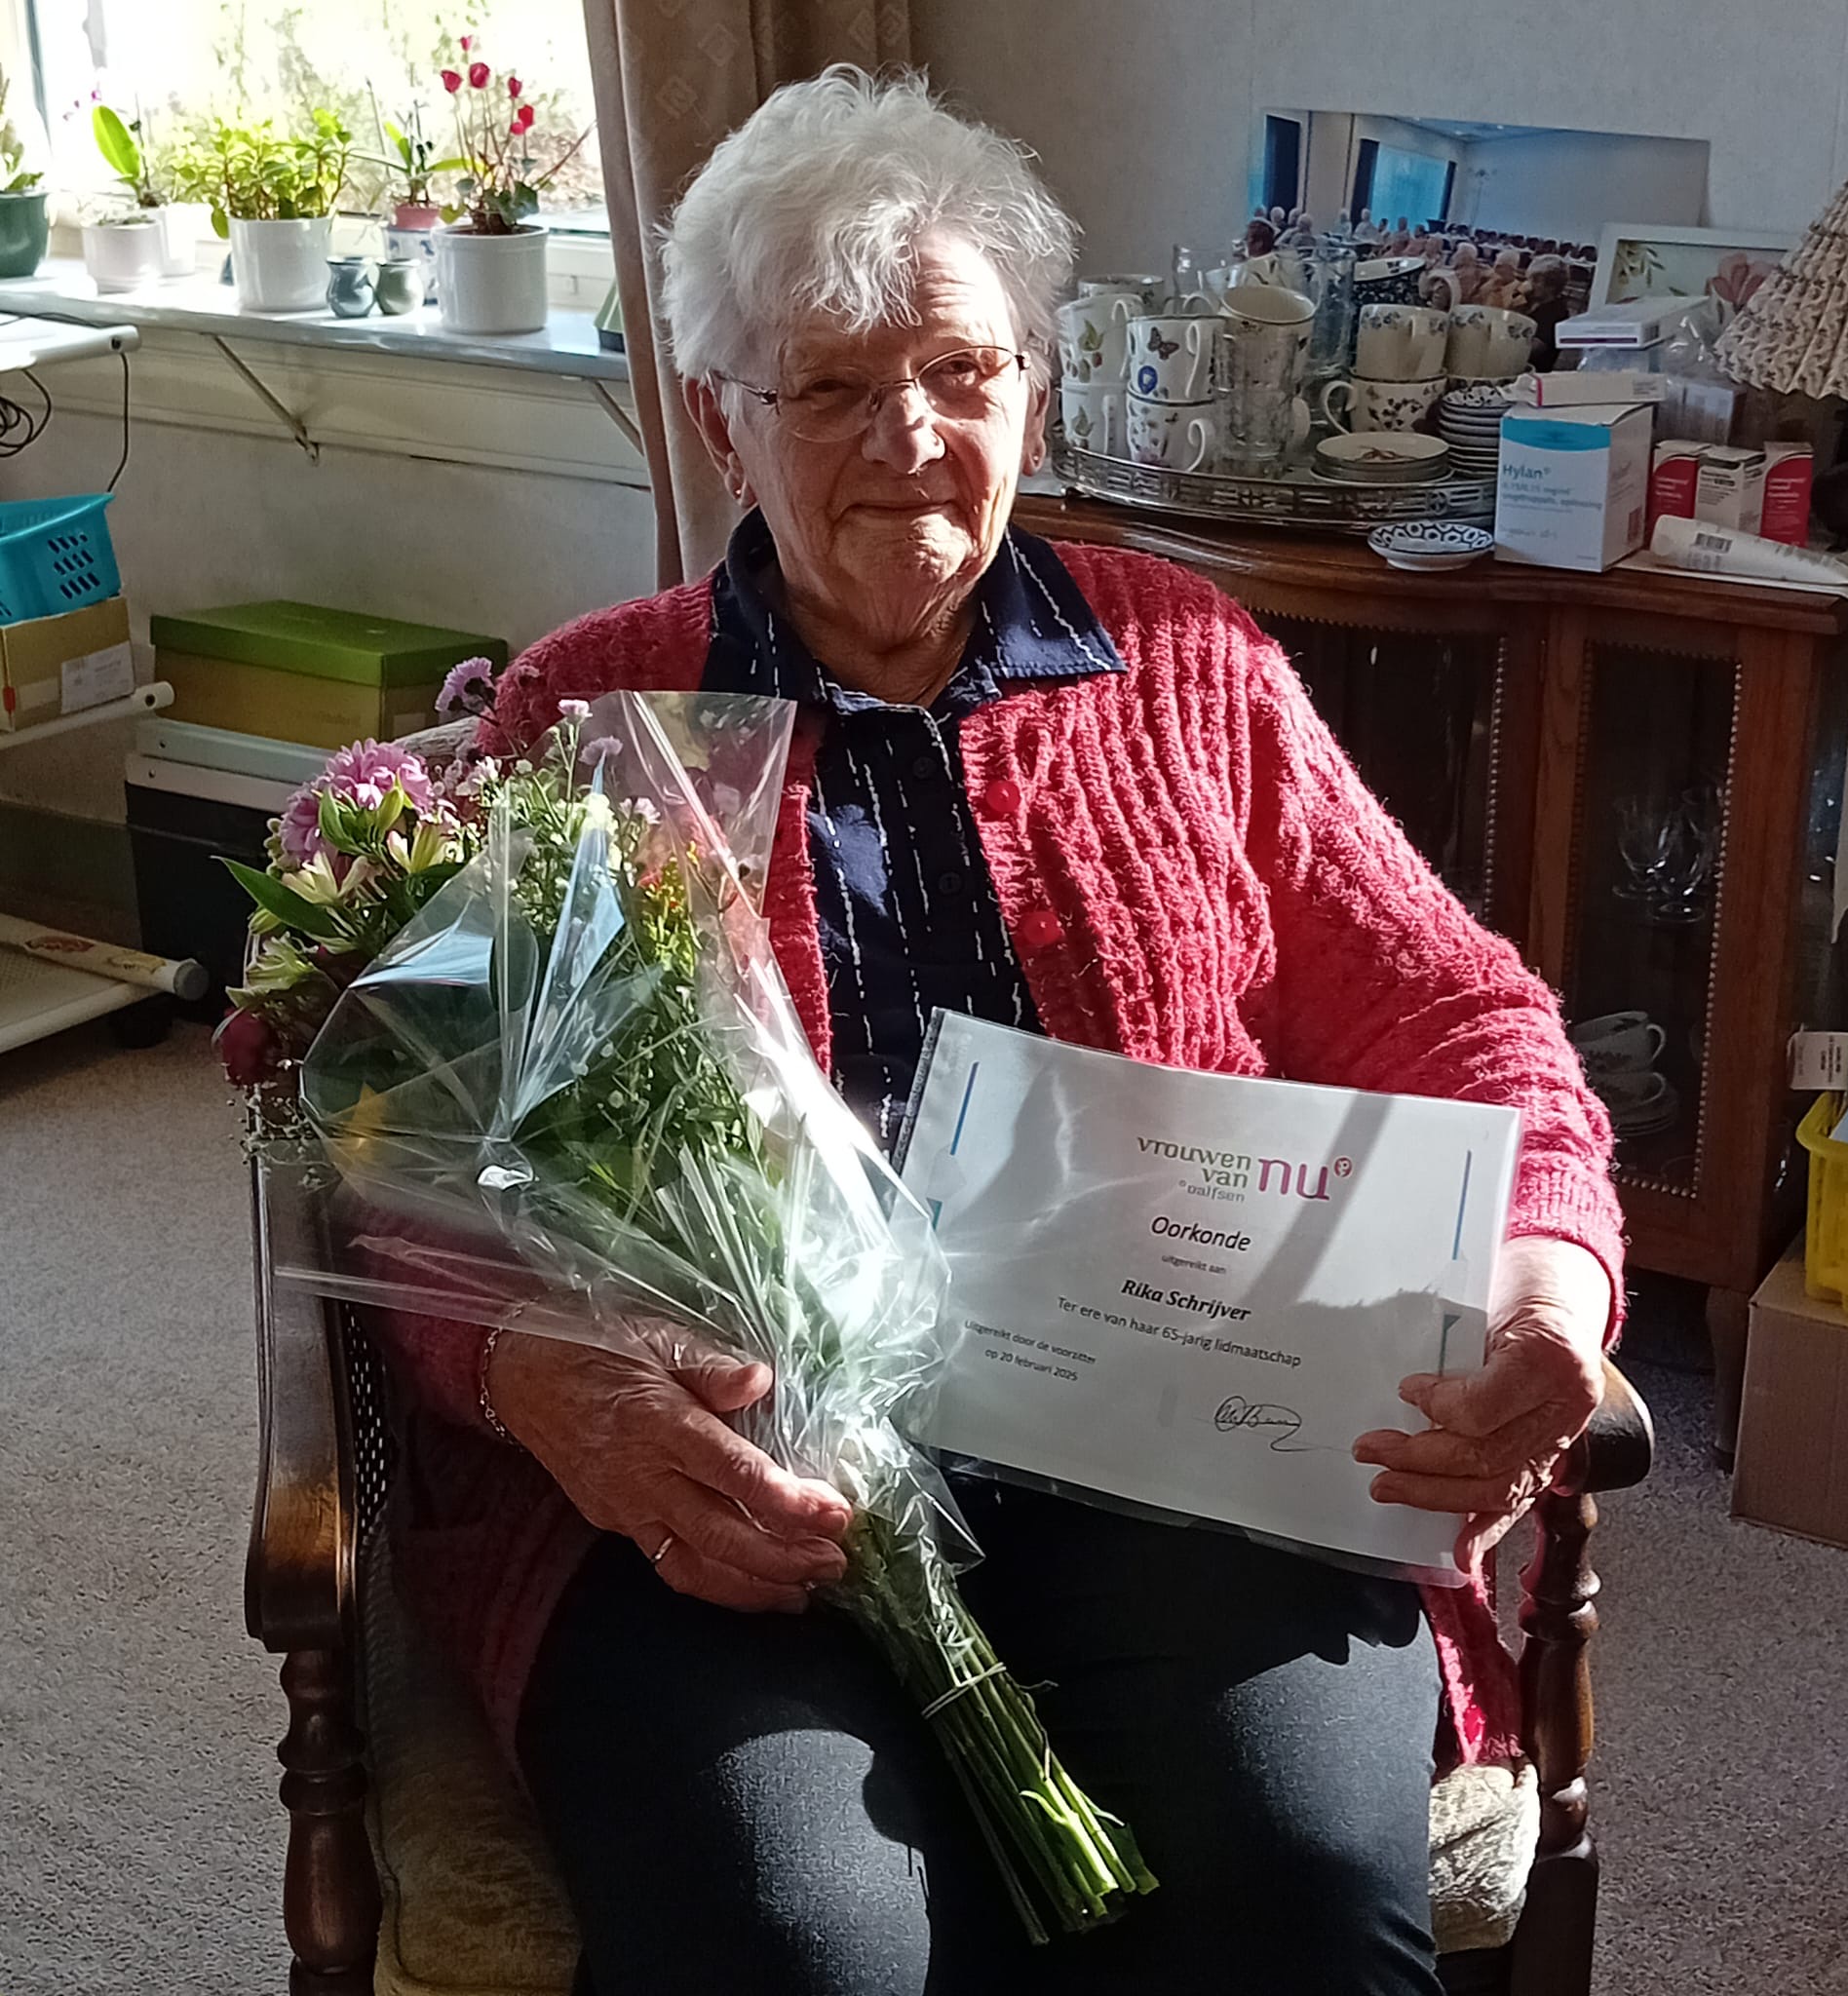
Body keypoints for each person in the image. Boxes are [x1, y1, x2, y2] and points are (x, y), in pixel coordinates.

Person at [375, 68, 1622, 1996]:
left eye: (963, 369)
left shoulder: (1190, 666)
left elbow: (1462, 1014)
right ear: (718, 418)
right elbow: (418, 1139)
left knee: (1295, 1903)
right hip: (745, 1482)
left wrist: (1547, 1274)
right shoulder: (591, 719)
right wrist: (534, 1371)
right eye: (829, 386)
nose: (911, 438)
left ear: (1035, 388)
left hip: (1181, 1452)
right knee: (802, 1947)